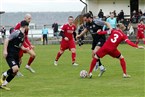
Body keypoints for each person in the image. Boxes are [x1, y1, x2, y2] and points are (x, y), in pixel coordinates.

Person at [76, 12, 112, 77]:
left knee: (95, 52)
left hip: (101, 39)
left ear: (89, 18)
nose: (85, 21)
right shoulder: (87, 23)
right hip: (95, 40)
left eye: (85, 20)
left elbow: (106, 23)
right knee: (93, 55)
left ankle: (97, 66)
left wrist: (110, 29)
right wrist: (80, 35)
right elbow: (86, 29)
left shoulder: (97, 22)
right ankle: (101, 67)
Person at [0, 20, 29, 90]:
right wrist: (5, 50)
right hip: (10, 53)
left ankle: (4, 84)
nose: (28, 28)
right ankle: (4, 74)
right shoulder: (16, 32)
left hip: (16, 54)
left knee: (15, 71)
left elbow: (20, 45)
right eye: (28, 27)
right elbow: (7, 40)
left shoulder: (23, 35)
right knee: (15, 68)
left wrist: (25, 49)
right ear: (25, 26)